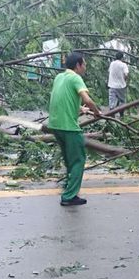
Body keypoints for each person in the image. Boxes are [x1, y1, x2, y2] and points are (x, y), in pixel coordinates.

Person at [47, 51, 102, 206]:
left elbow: (61, 100)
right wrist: (97, 112)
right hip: (69, 128)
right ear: (78, 65)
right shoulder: (76, 78)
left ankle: (69, 188)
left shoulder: (59, 77)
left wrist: (80, 109)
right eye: (84, 64)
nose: (85, 67)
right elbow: (87, 99)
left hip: (55, 126)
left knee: (69, 160)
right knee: (78, 160)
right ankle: (69, 196)